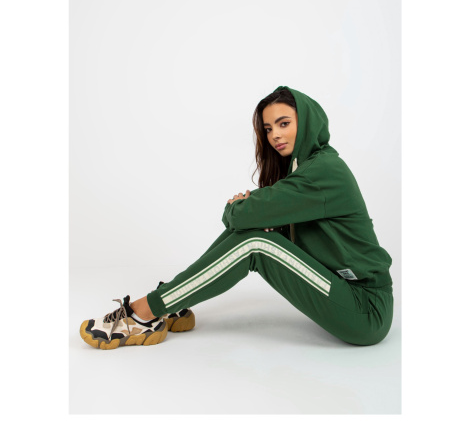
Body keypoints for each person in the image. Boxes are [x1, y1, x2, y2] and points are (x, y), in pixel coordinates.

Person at [80, 85, 394, 350]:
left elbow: (241, 216)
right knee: (258, 235)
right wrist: (248, 212)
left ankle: (144, 313)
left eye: (284, 123)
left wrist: (237, 208)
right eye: (268, 129)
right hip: (342, 291)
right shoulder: (303, 169)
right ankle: (171, 300)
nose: (274, 135)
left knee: (256, 244)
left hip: (365, 308)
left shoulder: (324, 171)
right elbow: (251, 219)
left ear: (307, 122)